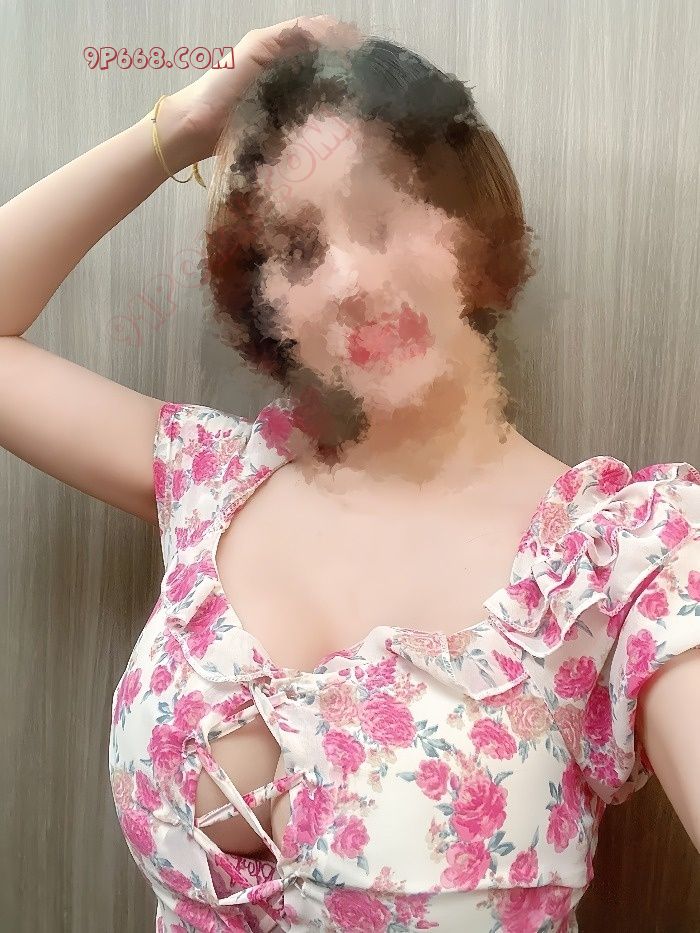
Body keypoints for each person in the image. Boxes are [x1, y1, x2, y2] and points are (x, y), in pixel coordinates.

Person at [1, 15, 698, 933]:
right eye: (296, 250)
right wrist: (184, 128)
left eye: (384, 216)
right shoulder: (211, 481)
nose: (349, 281)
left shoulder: (625, 557)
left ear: (478, 236)